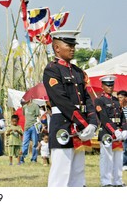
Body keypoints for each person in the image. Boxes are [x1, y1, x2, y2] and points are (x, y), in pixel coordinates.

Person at [43, 30, 98, 187]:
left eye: (74, 45)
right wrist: (84, 123)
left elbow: (88, 98)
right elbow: (62, 101)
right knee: (61, 172)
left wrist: (93, 123)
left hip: (81, 126)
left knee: (78, 172)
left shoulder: (77, 71)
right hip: (63, 125)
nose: (73, 48)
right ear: (57, 47)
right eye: (69, 45)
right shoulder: (52, 70)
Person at [95, 75, 127, 187]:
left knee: (118, 158)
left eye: (112, 85)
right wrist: (114, 131)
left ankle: (117, 181)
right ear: (102, 86)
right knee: (107, 158)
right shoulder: (99, 100)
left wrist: (124, 129)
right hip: (107, 132)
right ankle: (106, 181)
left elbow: (122, 116)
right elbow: (103, 118)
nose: (110, 87)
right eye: (107, 85)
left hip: (118, 132)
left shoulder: (116, 100)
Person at [20, 98, 40, 163]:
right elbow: (24, 115)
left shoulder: (35, 106)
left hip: (34, 126)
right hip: (26, 127)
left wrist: (40, 125)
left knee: (35, 143)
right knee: (25, 143)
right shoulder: (24, 107)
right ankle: (22, 158)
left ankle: (34, 159)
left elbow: (38, 116)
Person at [116, 90, 127, 171]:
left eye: (121, 97)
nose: (119, 99)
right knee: (124, 148)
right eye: (118, 98)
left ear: (126, 98)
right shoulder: (117, 109)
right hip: (123, 131)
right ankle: (123, 164)